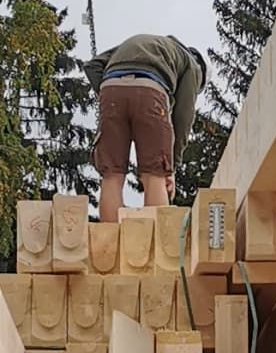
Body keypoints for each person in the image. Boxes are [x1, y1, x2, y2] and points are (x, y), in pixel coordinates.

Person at [84, 35, 206, 222]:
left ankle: (109, 244)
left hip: (111, 90)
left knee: (111, 175)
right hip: (151, 91)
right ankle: (155, 246)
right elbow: (183, 117)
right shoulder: (192, 66)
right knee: (154, 175)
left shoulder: (146, 43)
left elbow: (92, 66)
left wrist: (113, 96)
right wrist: (170, 168)